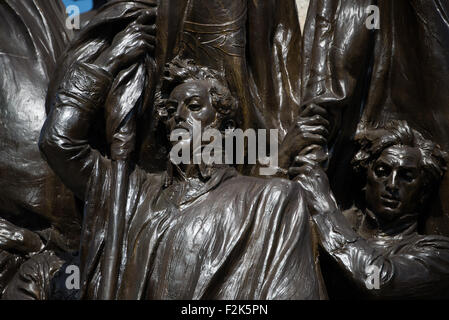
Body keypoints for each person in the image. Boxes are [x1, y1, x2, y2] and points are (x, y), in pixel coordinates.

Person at [39, 25, 325, 297]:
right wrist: (110, 62)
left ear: (224, 125)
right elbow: (58, 142)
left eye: (194, 106)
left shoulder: (269, 201)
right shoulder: (131, 193)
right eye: (172, 109)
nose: (178, 116)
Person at [292, 119, 449, 299]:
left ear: (423, 190)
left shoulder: (438, 254)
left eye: (406, 176)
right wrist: (282, 158)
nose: (392, 185)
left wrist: (323, 207)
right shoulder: (326, 230)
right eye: (382, 171)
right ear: (365, 179)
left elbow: (377, 282)